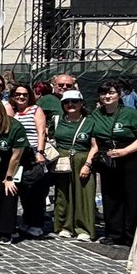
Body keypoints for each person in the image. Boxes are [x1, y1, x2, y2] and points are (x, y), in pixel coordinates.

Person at [86, 78, 137, 246]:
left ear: (119, 94)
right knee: (111, 195)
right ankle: (114, 233)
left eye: (111, 93)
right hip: (110, 157)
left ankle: (133, 235)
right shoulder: (96, 114)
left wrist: (125, 151)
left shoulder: (131, 114)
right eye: (103, 93)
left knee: (134, 196)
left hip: (134, 157)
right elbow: (94, 139)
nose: (107, 96)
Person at [0, 97, 30, 242]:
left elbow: (16, 156)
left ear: (1, 110)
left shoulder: (16, 127)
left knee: (8, 190)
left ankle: (6, 230)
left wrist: (9, 178)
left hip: (12, 165)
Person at [49, 90, 95, 241]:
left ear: (81, 103)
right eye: (67, 102)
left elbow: (95, 146)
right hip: (63, 161)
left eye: (74, 102)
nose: (71, 105)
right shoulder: (57, 120)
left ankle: (84, 229)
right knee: (63, 195)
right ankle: (64, 226)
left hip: (82, 159)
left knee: (84, 195)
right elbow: (48, 137)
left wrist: (88, 164)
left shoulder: (90, 121)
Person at [6, 83, 49, 237]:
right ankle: (26, 221)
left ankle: (36, 223)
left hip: (32, 154)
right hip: (18, 156)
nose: (21, 97)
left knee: (35, 190)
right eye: (18, 94)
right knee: (22, 189)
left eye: (24, 94)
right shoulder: (14, 112)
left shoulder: (35, 110)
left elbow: (41, 131)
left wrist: (40, 152)